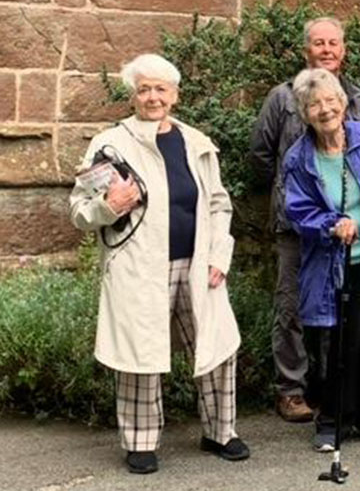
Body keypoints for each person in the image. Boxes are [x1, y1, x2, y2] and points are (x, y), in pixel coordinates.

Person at [69, 54, 248, 474]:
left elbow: (220, 205)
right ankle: (140, 443)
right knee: (140, 357)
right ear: (132, 95)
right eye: (145, 89)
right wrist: (109, 206)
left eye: (161, 89)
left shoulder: (196, 141)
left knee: (218, 348)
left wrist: (220, 255)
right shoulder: (110, 143)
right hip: (139, 266)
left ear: (175, 95)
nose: (153, 97)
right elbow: (79, 212)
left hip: (198, 263)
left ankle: (221, 432)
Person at [249, 16, 360, 423]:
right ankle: (291, 389)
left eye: (333, 43)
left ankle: (329, 386)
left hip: (348, 231)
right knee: (293, 309)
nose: (326, 50)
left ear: (344, 49)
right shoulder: (281, 98)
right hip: (295, 227)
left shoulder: (358, 98)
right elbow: (261, 156)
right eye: (318, 43)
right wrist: (291, 194)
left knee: (339, 308)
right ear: (306, 51)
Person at [283, 68, 360, 451]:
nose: (325, 109)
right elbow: (297, 210)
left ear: (344, 104)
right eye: (315, 104)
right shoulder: (300, 157)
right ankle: (333, 421)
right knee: (338, 345)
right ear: (304, 112)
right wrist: (333, 224)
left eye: (331, 101)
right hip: (333, 263)